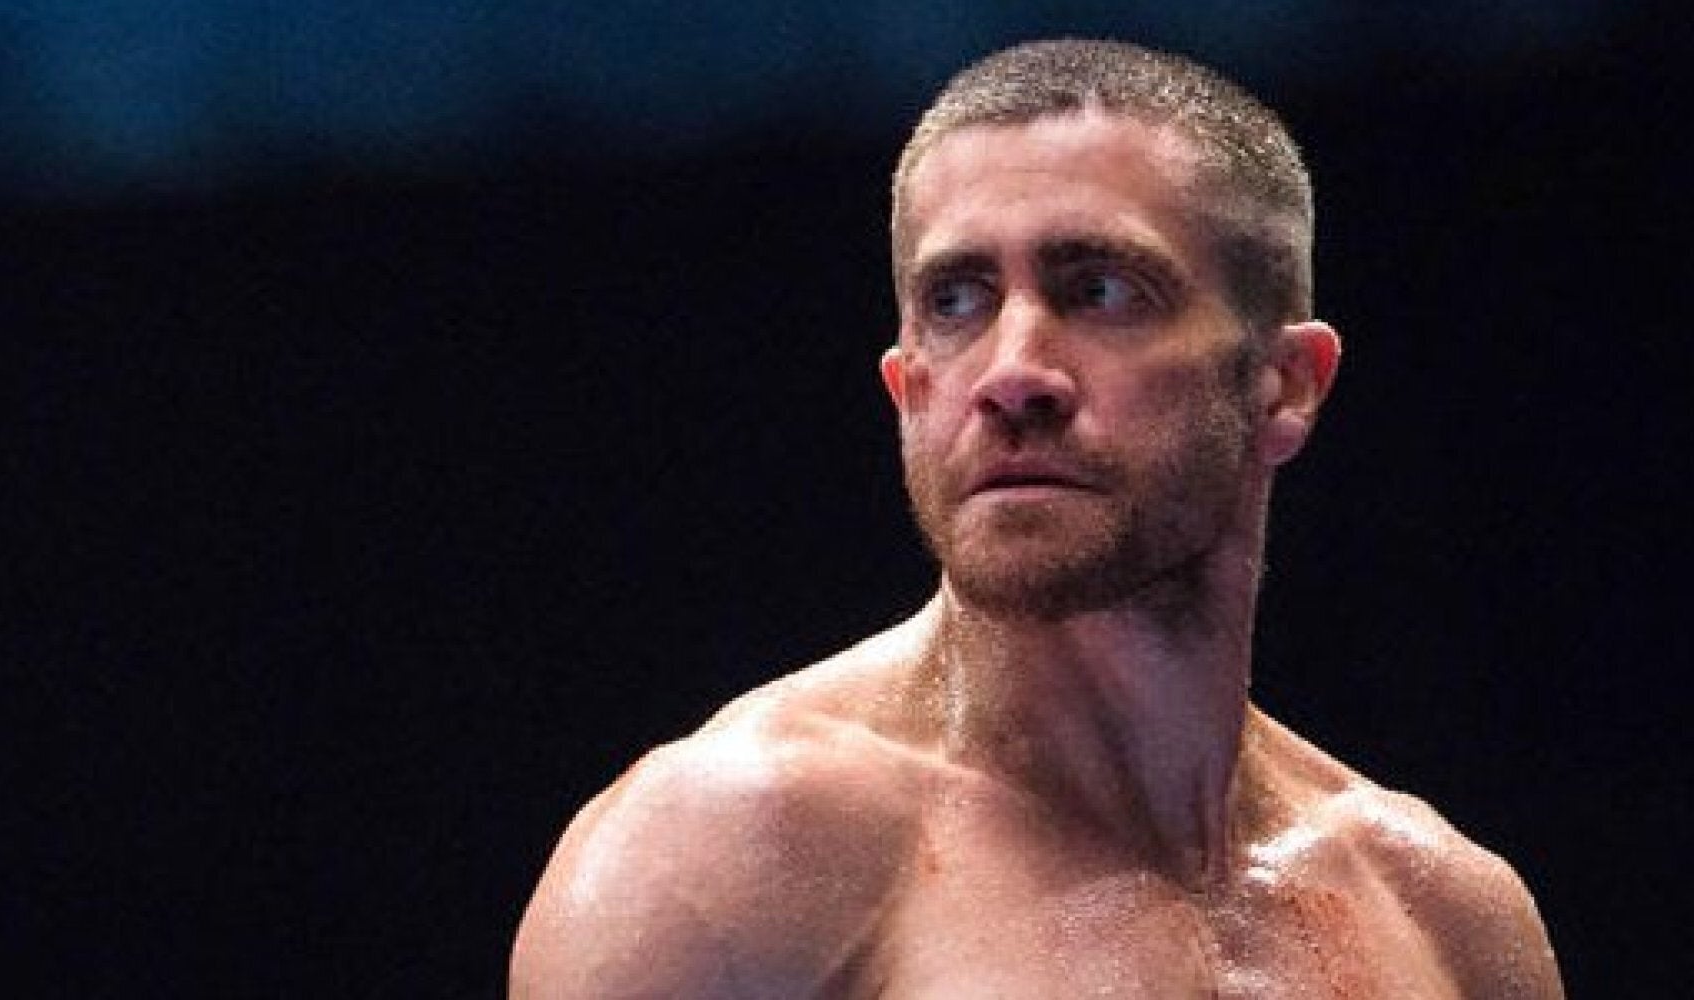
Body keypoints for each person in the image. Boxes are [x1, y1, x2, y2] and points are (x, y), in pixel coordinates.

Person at [510, 38, 1564, 998]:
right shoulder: (724, 857)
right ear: (908, 389)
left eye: (1099, 290)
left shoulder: (1446, 919)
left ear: (1284, 385)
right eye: (957, 300)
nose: (1012, 372)